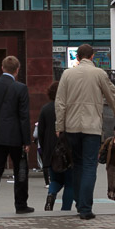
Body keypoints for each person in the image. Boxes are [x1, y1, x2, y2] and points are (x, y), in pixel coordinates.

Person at [55, 43, 115, 220]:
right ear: (92, 56)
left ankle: (79, 202)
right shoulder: (99, 73)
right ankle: (85, 208)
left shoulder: (67, 74)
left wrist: (59, 126)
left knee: (77, 164)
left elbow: (60, 102)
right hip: (91, 127)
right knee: (89, 166)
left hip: (71, 127)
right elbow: (111, 95)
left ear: (77, 57)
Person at [0, 56, 34, 217]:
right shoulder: (21, 88)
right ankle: (21, 205)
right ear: (17, 70)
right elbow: (24, 116)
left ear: (2, 68)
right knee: (20, 170)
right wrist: (26, 140)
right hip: (16, 137)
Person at [37, 81, 74, 211]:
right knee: (70, 183)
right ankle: (65, 209)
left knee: (55, 180)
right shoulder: (69, 109)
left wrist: (45, 149)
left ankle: (51, 194)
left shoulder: (45, 108)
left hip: (51, 151)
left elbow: (40, 132)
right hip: (67, 150)